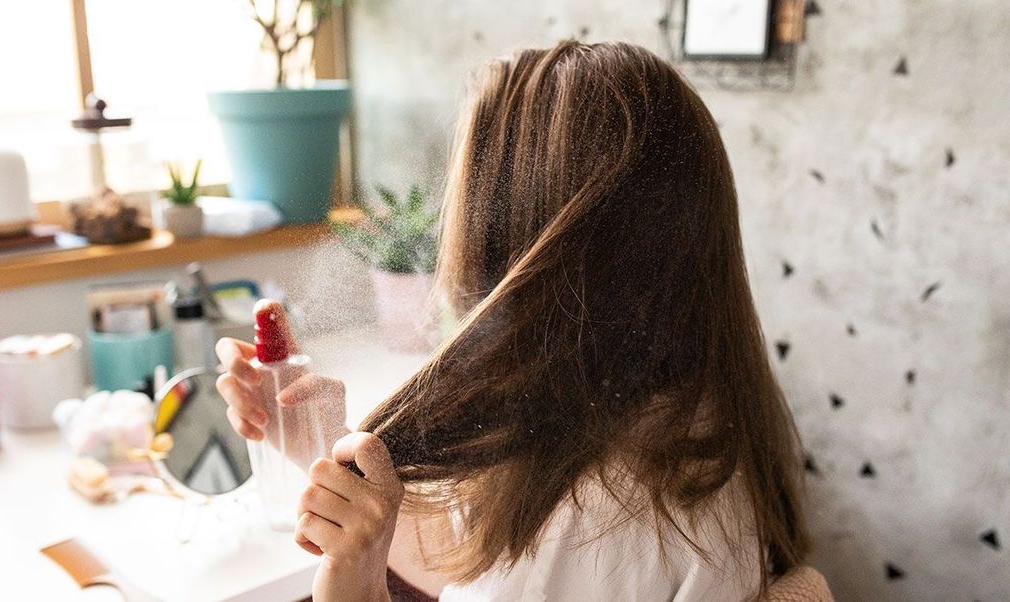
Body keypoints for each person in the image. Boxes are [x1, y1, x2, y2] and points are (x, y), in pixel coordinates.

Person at [216, 40, 809, 602]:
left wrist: (356, 588)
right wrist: (316, 443)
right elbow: (476, 550)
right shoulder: (667, 428)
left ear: (512, 238)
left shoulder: (591, 515)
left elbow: (519, 559)